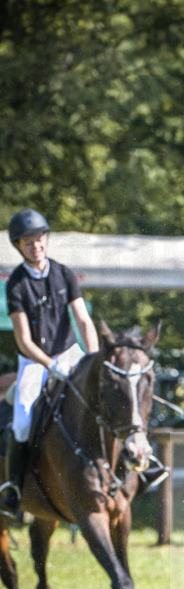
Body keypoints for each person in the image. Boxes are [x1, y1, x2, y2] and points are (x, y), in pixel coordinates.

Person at [0, 209, 100, 518]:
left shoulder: (64, 273)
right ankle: (14, 487)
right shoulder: (15, 283)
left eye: (40, 238)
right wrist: (48, 364)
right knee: (22, 419)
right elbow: (23, 339)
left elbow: (82, 319)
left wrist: (93, 356)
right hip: (34, 360)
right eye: (28, 242)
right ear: (18, 246)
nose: (36, 245)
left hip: (70, 352)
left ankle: (137, 465)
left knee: (104, 397)